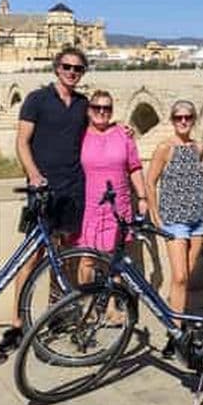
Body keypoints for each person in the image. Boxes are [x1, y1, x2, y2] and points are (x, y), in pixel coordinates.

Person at [0, 45, 90, 354]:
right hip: (44, 191)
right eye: (67, 67)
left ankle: (56, 313)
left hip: (73, 189)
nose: (72, 73)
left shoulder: (82, 104)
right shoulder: (37, 100)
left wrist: (121, 130)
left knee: (64, 256)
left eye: (78, 69)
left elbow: (95, 134)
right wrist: (34, 175)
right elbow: (21, 142)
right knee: (32, 257)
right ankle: (16, 324)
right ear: (56, 68)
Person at [145, 100, 203, 359]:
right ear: (172, 120)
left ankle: (179, 326)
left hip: (198, 219)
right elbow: (150, 182)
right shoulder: (164, 148)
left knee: (187, 278)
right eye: (179, 117)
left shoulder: (199, 147)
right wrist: (156, 217)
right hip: (174, 220)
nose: (184, 121)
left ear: (194, 120)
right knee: (179, 276)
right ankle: (175, 332)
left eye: (188, 117)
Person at [75, 90, 148, 287]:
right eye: (97, 107)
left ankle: (114, 309)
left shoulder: (123, 135)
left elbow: (134, 167)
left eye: (106, 108)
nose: (102, 111)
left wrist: (142, 197)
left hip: (118, 206)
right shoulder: (79, 135)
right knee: (87, 259)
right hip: (89, 207)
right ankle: (87, 305)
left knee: (115, 259)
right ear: (89, 110)